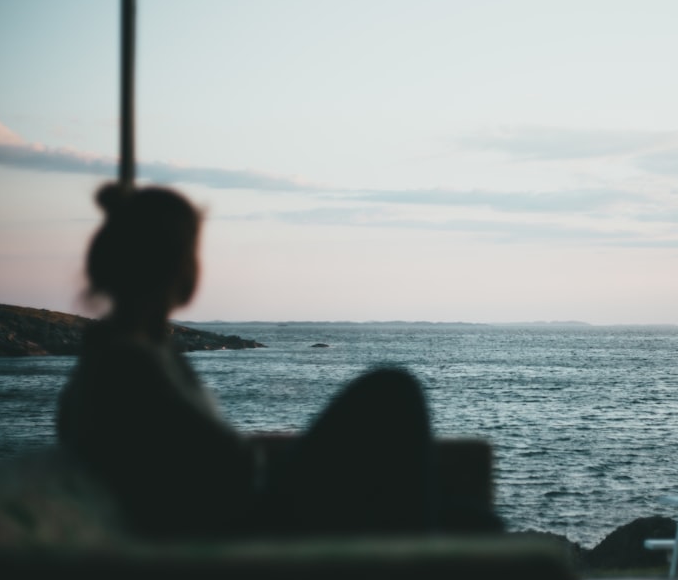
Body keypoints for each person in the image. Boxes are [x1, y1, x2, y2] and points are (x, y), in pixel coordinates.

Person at [57, 182, 455, 538]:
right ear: (177, 265)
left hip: (245, 513)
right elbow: (222, 471)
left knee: (464, 515)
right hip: (251, 531)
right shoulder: (131, 368)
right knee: (391, 390)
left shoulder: (128, 353)